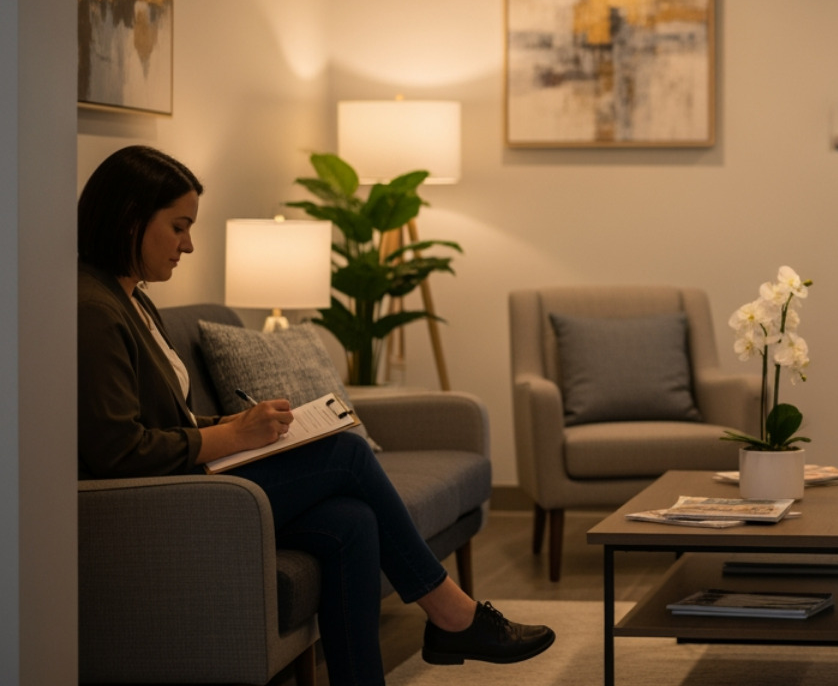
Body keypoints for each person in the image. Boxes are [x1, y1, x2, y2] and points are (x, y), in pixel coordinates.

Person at [77, 145, 554, 686]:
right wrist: (232, 435)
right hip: (166, 503)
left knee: (353, 521)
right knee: (347, 452)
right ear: (130, 218)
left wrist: (241, 426)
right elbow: (120, 452)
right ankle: (451, 615)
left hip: (193, 482)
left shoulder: (133, 298)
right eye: (179, 226)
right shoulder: (91, 311)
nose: (188, 244)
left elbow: (171, 420)